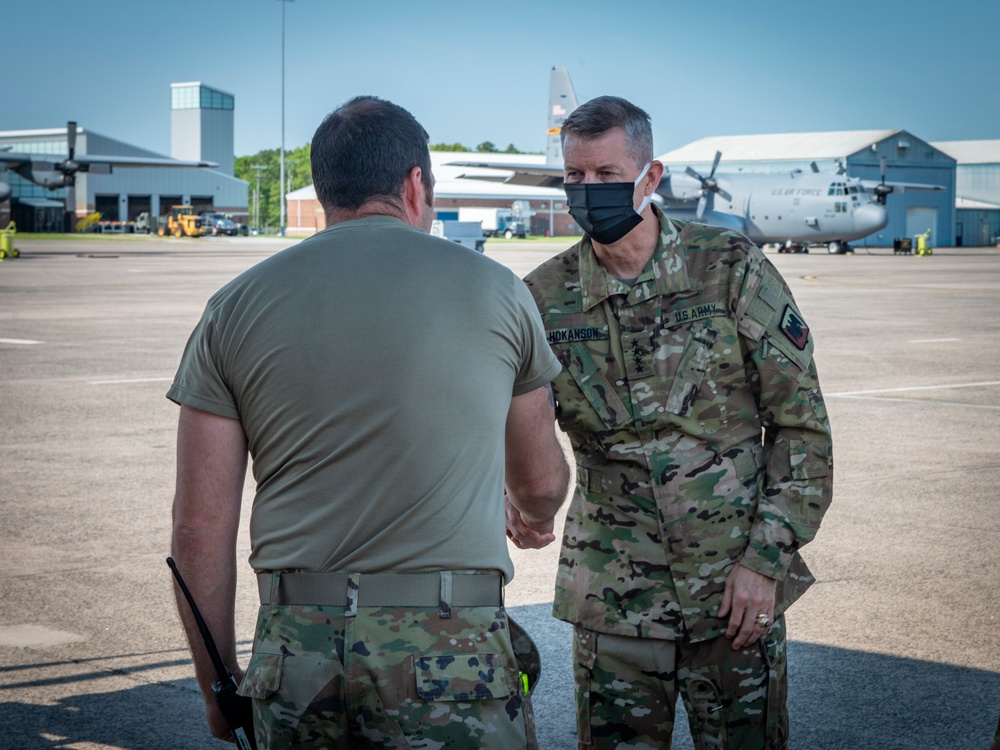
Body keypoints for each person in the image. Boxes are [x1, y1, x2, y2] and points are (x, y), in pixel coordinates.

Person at [168, 95, 569, 749]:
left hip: (296, 661)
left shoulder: (234, 306)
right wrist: (534, 514)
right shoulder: (497, 290)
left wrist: (220, 687)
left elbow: (196, 526)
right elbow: (543, 480)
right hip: (451, 656)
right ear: (416, 184)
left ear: (326, 190)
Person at [516, 96, 834, 749]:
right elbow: (509, 425)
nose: (587, 191)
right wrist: (508, 495)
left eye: (606, 176)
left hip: (733, 599)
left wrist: (765, 562)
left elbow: (800, 428)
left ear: (650, 176)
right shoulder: (541, 299)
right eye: (574, 178)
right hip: (613, 603)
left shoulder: (729, 270)